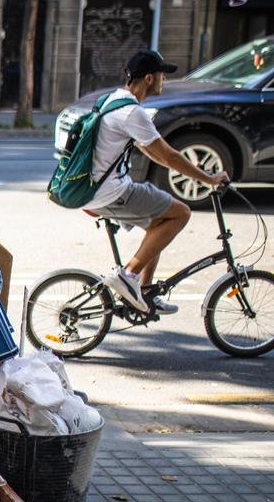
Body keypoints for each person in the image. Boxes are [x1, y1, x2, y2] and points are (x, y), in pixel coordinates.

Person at [87, 49, 226, 315]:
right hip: (111, 191)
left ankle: (146, 293)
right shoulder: (132, 112)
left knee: (161, 220)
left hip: (99, 188)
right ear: (149, 78)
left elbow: (152, 150)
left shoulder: (114, 100)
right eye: (163, 74)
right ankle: (128, 275)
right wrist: (208, 179)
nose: (165, 80)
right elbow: (169, 154)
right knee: (181, 213)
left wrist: (179, 166)